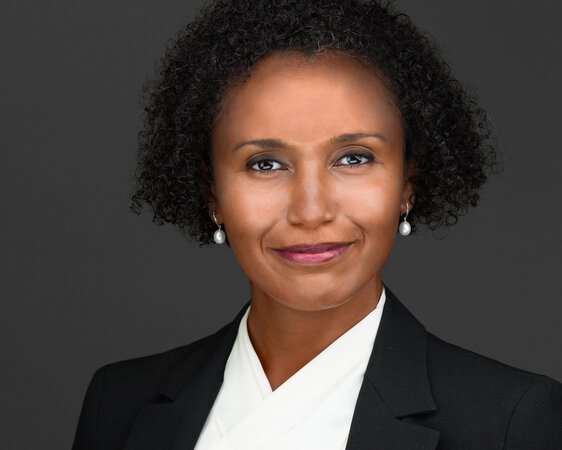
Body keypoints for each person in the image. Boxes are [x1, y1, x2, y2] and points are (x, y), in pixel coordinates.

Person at [72, 0, 562, 448]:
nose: (311, 211)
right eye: (265, 163)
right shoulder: (117, 403)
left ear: (408, 183)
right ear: (211, 192)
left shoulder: (511, 422)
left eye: (354, 158)